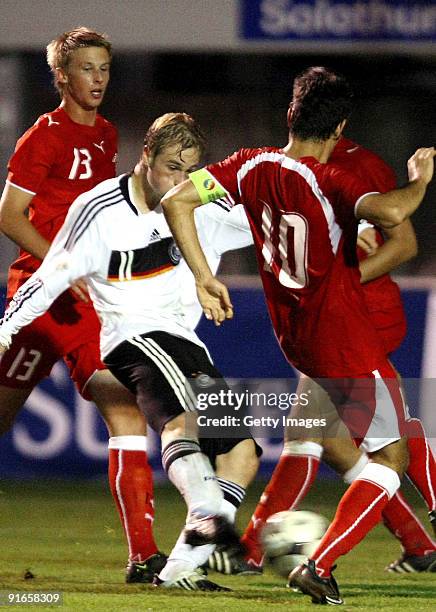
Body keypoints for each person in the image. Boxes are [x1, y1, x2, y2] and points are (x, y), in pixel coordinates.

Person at [160, 66, 436, 604]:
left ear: (290, 114)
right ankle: (321, 565)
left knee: (357, 435)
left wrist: (203, 275)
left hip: (298, 336)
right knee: (392, 460)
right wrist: (420, 176)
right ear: (339, 130)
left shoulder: (250, 164)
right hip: (342, 337)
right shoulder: (330, 178)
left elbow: (177, 202)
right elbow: (392, 210)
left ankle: (409, 540)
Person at [0, 112, 261, 591]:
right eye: (170, 168)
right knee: (182, 424)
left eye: (189, 171)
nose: (180, 181)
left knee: (243, 454)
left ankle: (181, 566)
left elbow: (267, 223)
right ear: (145, 157)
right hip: (134, 336)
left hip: (186, 341)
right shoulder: (99, 209)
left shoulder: (201, 201)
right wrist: (4, 330)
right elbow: (51, 274)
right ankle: (204, 519)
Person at [218, 139, 435, 576]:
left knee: (320, 431)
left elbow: (403, 241)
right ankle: (418, 544)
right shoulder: (284, 168)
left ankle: (253, 550)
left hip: (362, 318)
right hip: (329, 324)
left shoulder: (359, 166)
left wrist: (338, 287)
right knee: (338, 444)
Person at [0, 27, 165, 583]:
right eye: (88, 69)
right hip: (40, 294)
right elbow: (9, 215)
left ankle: (144, 557)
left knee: (124, 407)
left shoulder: (107, 136)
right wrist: (61, 267)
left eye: (105, 69)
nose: (98, 79)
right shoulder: (40, 138)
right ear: (62, 76)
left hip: (83, 300)